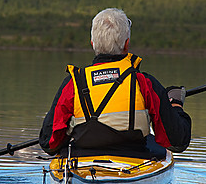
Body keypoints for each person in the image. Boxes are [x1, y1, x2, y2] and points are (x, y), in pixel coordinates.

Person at [39, 8, 191, 158]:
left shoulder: (73, 83)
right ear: (126, 44)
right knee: (155, 144)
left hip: (81, 164)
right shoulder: (144, 83)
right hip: (133, 160)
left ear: (92, 43)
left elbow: (49, 143)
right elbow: (177, 141)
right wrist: (176, 105)